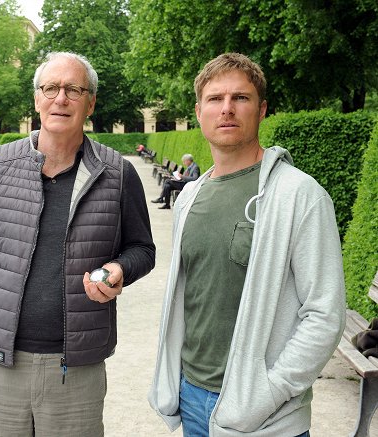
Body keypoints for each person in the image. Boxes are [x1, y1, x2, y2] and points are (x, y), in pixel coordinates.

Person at [0, 51, 155, 437]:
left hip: (76, 370)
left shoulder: (118, 173)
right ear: (37, 98)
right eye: (51, 88)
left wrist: (119, 268)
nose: (61, 98)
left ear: (90, 102)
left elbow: (143, 249)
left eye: (74, 90)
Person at [148, 53, 346, 436]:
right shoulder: (189, 197)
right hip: (192, 400)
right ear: (199, 111)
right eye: (215, 99)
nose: (227, 109)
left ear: (262, 109)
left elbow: (324, 313)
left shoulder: (299, 194)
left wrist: (271, 392)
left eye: (240, 98)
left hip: (268, 418)